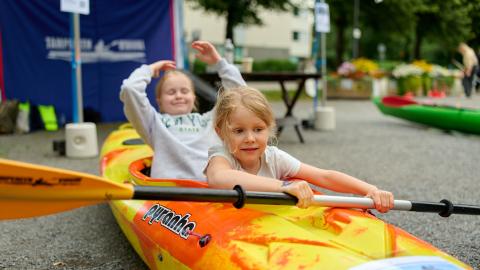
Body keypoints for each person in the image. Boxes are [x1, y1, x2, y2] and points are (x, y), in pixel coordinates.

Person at [205, 87, 394, 211]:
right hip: (229, 225)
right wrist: (285, 186)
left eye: (258, 129)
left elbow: (324, 176)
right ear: (220, 133)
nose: (250, 139)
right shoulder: (222, 157)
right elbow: (219, 178)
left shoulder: (274, 157)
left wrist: (370, 190)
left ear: (269, 128)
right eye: (238, 131)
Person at [120, 40, 246, 180]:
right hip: (170, 193)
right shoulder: (153, 122)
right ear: (159, 101)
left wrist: (219, 63)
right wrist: (148, 70)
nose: (178, 96)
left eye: (184, 91)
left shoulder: (210, 120)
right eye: (171, 92)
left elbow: (240, 95)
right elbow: (130, 89)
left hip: (211, 190)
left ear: (193, 97)